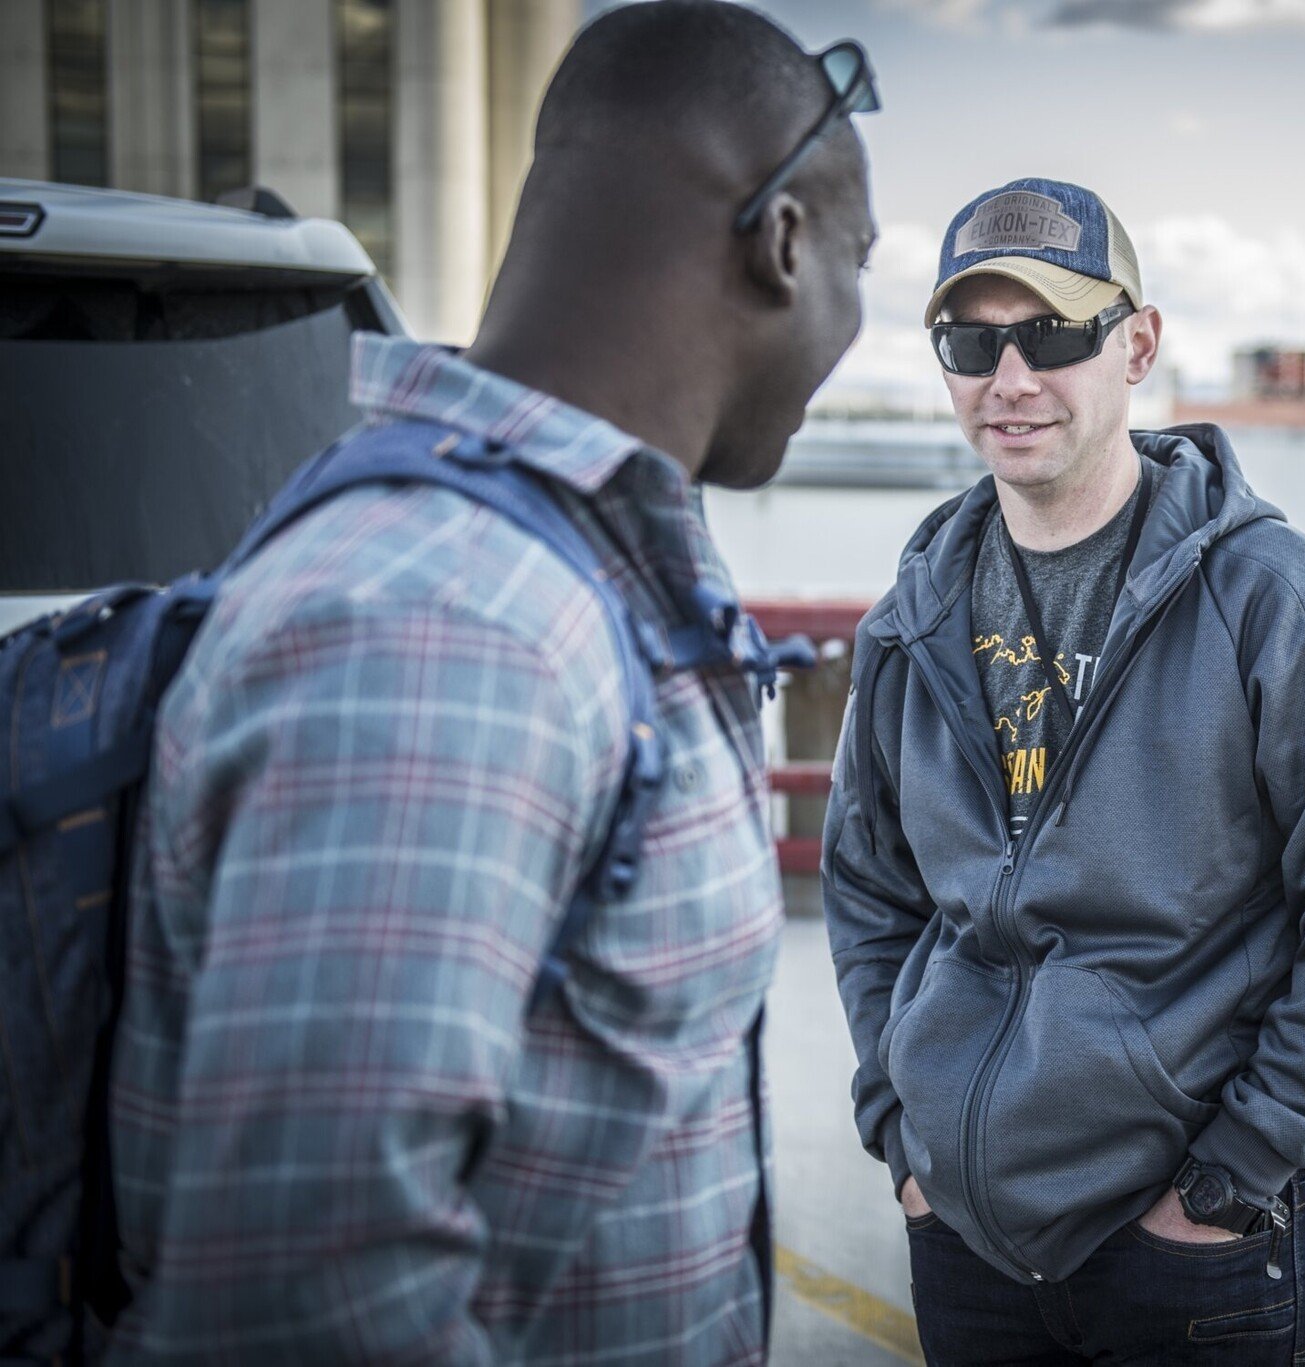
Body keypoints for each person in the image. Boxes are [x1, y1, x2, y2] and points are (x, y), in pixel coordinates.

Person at [106, 4, 877, 1362]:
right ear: (785, 240)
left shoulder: (555, 578)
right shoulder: (451, 621)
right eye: (862, 263)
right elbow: (309, 1303)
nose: (857, 330)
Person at [821, 178, 1305, 1365]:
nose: (1009, 378)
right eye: (972, 341)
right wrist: (900, 1138)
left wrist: (1227, 1181)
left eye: (1053, 334)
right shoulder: (913, 617)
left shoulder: (1278, 601)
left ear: (1137, 345)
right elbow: (868, 890)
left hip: (1204, 1253)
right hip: (969, 1244)